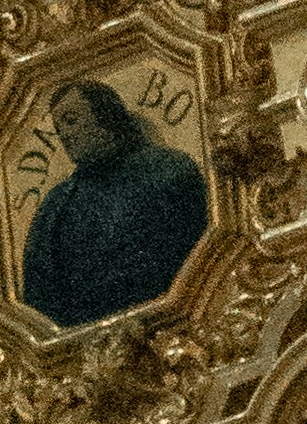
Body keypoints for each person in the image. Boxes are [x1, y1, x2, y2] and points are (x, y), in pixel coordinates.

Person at [18, 77, 211, 327]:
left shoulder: (169, 170)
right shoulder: (56, 205)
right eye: (59, 128)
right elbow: (41, 296)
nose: (64, 135)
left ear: (106, 117)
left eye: (71, 120)